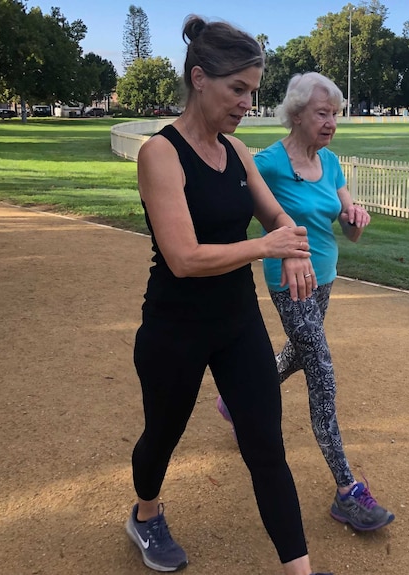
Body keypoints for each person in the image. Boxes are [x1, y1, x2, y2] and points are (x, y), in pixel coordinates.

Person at [126, 16, 331, 575]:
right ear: (199, 78)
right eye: (237, 89)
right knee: (161, 436)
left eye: (253, 91)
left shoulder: (238, 153)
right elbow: (184, 257)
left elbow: (276, 213)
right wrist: (266, 247)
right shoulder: (160, 154)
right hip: (175, 325)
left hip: (237, 322)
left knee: (266, 444)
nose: (247, 103)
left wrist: (290, 244)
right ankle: (145, 514)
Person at [217, 72, 394, 532]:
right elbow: (250, 213)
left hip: (325, 277)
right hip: (288, 282)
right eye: (322, 113)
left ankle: (234, 401)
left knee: (300, 353)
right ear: (296, 114)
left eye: (335, 113)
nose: (331, 121)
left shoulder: (331, 162)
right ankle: (346, 491)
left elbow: (349, 228)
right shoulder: (270, 163)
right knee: (322, 372)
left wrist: (357, 218)